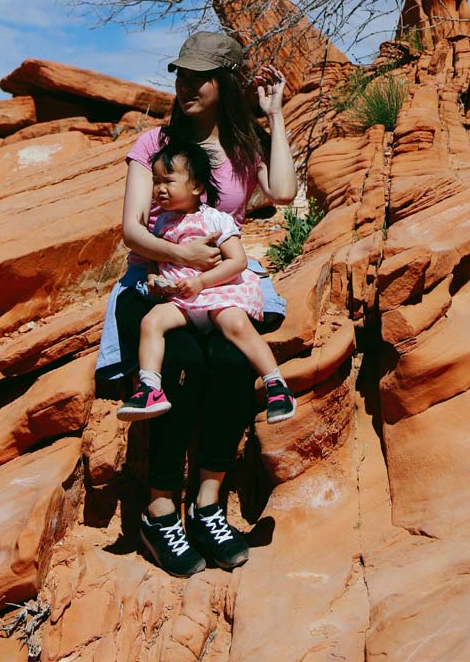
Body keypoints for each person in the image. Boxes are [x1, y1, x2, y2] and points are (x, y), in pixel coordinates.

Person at [94, 30, 298, 578]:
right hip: (156, 281)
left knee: (232, 365)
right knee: (180, 366)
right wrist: (180, 252)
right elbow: (132, 231)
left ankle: (207, 506)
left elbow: (281, 192)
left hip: (222, 286)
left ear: (224, 82)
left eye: (198, 77)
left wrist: (275, 116)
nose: (184, 85)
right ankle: (160, 513)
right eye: (180, 74)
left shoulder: (243, 145)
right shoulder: (154, 146)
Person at [116, 139, 296, 425]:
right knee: (151, 322)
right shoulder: (161, 223)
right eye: (156, 181)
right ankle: (151, 388)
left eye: (169, 181)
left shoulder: (217, 220)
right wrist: (153, 278)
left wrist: (201, 282)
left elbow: (236, 262)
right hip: (182, 299)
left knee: (236, 325)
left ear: (197, 186)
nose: (159, 189)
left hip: (218, 292)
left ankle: (276, 385)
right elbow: (153, 257)